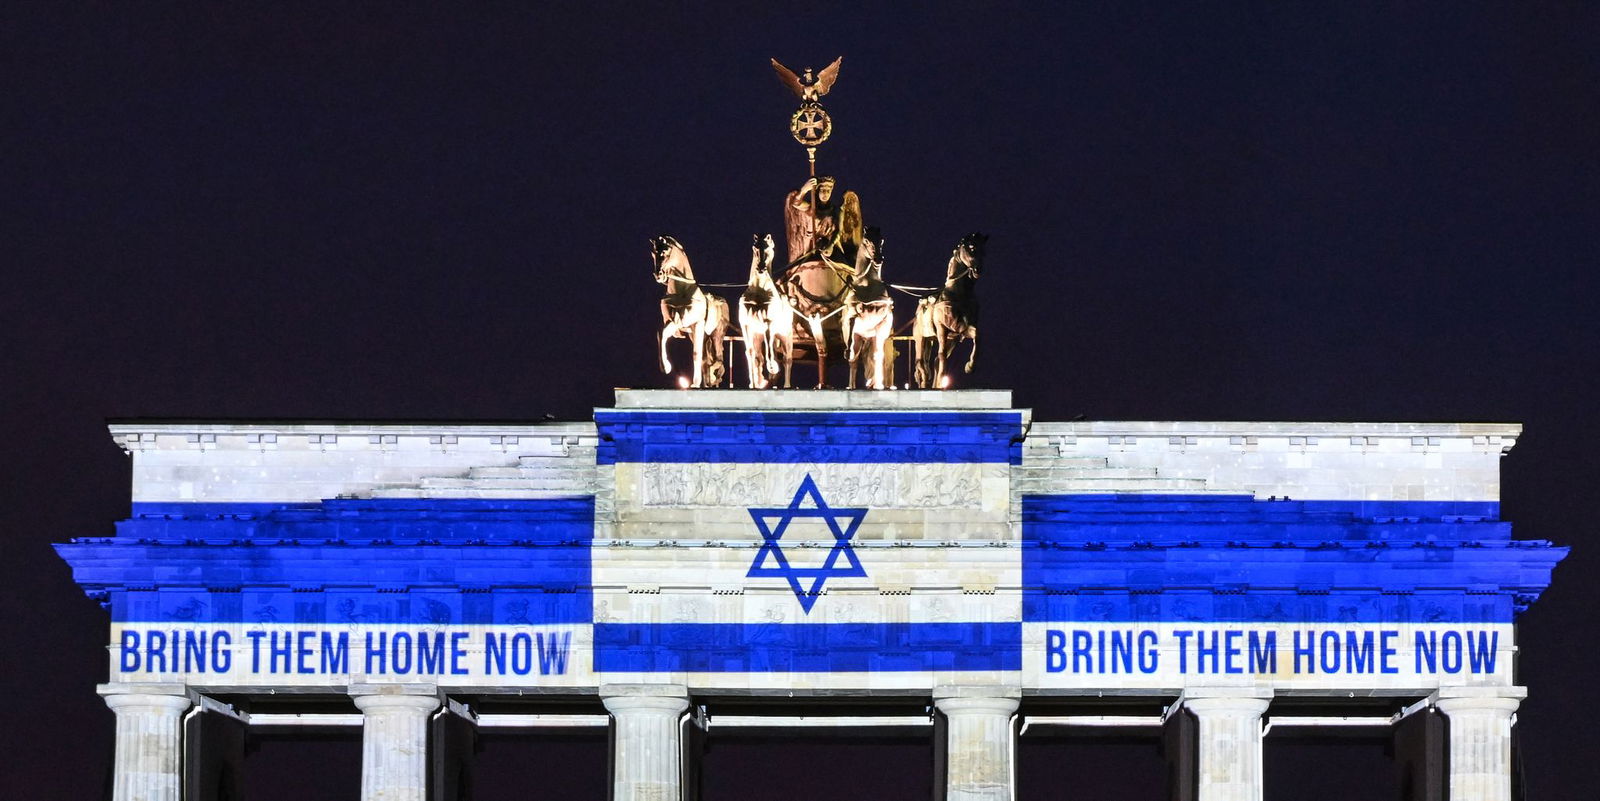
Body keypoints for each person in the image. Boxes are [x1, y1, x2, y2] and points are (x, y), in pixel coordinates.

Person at [784, 176, 861, 268]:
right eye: (823, 190)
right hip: (811, 247)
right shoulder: (810, 208)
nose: (825, 194)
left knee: (844, 267)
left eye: (828, 191)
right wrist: (805, 189)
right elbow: (795, 203)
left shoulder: (836, 211)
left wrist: (830, 245)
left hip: (831, 246)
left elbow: (838, 231)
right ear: (817, 191)